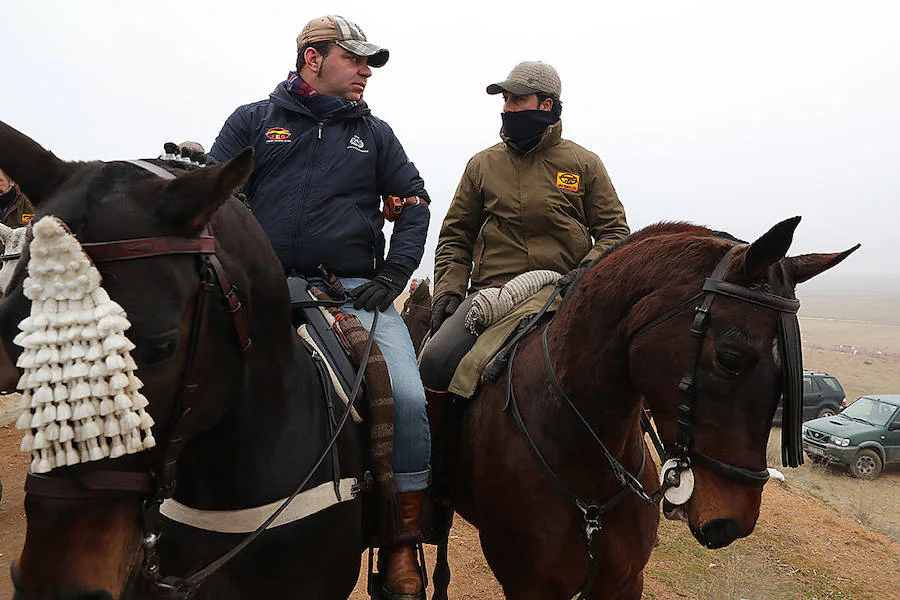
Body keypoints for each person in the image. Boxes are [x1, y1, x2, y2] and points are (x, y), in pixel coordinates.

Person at [209, 15, 431, 599]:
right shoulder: (254, 121)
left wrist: (393, 275)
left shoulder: (376, 134)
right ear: (313, 58)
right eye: (354, 59)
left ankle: (400, 543)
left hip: (351, 293)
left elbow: (414, 205)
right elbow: (213, 197)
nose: (365, 72)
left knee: (406, 395)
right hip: (259, 288)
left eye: (369, 63)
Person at [421, 61, 629, 392]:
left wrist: (585, 273)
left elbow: (615, 233)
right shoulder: (482, 165)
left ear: (546, 104)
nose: (507, 108)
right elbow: (455, 237)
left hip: (564, 292)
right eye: (505, 100)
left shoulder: (584, 163)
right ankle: (432, 445)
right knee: (433, 361)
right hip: (492, 294)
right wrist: (449, 289)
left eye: (517, 100)